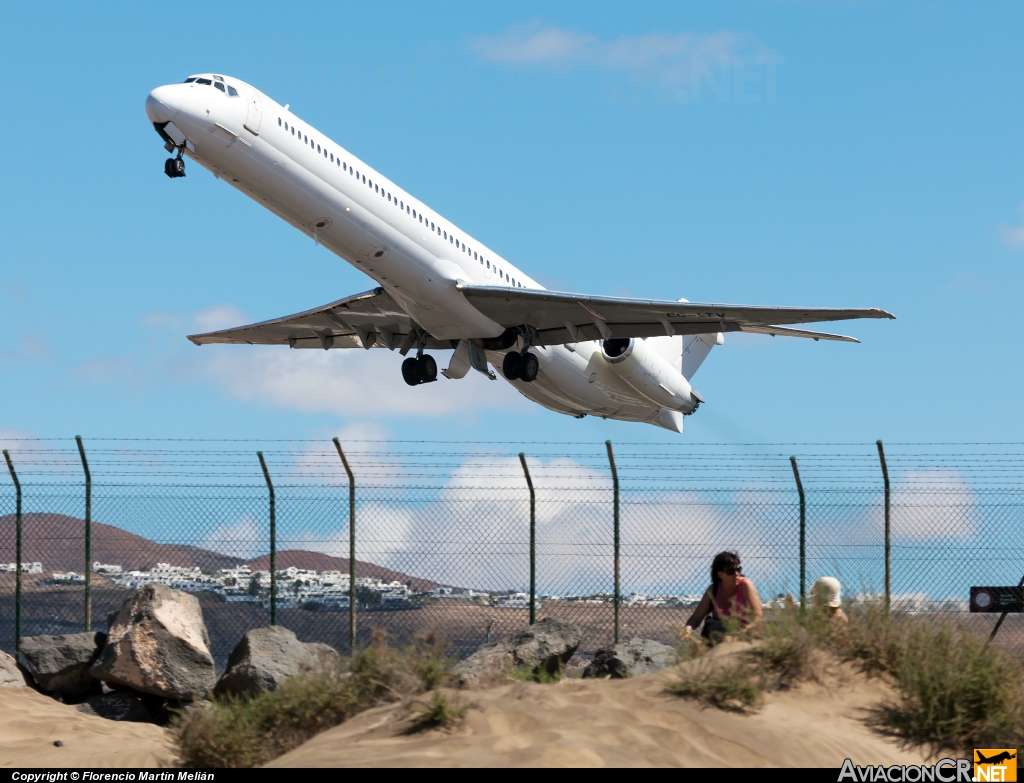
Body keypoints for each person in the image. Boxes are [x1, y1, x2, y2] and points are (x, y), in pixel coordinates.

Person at [683, 551, 763, 641]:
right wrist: (688, 629)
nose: (736, 574)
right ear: (720, 574)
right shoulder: (714, 589)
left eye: (738, 569)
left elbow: (757, 618)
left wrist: (736, 636)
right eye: (731, 571)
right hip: (721, 638)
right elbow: (696, 617)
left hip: (745, 638)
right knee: (698, 647)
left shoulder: (745, 585)